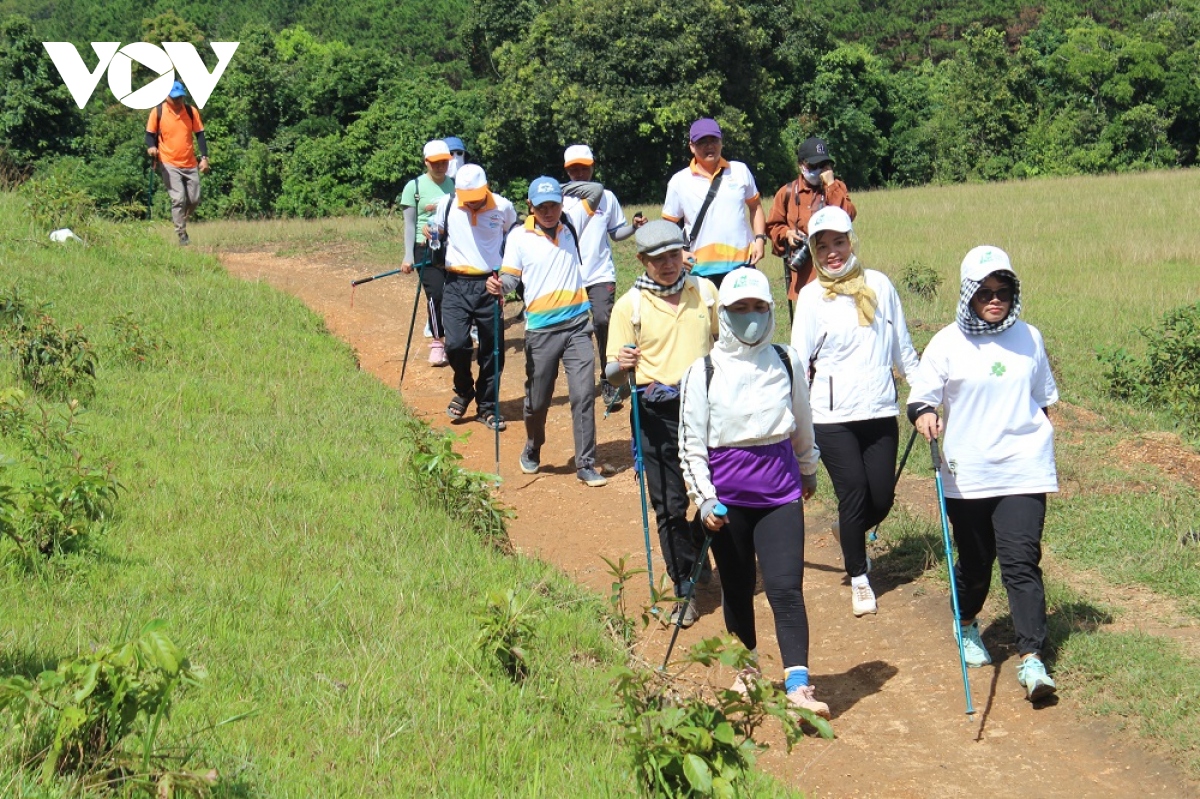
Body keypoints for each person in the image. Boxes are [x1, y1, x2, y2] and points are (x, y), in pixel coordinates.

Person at [907, 245, 1059, 702]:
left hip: (1024, 469)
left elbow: (1044, 399)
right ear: (968, 294)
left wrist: (1032, 443)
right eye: (985, 292)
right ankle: (967, 623)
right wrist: (924, 416)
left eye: (1004, 290)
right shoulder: (947, 342)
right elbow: (920, 398)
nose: (996, 299)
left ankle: (1032, 658)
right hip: (967, 473)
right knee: (976, 565)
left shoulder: (1030, 338)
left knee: (1020, 562)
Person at [677, 267, 829, 719]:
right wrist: (703, 499)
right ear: (723, 314)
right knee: (739, 587)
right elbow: (690, 444)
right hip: (728, 500)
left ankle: (798, 685)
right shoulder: (702, 370)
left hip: (781, 491)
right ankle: (746, 670)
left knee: (786, 589)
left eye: (758, 308)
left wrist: (808, 468)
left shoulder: (786, 360)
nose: (750, 317)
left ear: (770, 311)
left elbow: (802, 420)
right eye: (739, 309)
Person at [790, 206, 919, 617]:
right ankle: (859, 576)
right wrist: (791, 416)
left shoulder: (879, 285)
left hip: (880, 409)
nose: (832, 253)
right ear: (812, 249)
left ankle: (850, 530)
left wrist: (924, 394)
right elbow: (796, 361)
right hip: (832, 417)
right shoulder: (812, 296)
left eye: (839, 242)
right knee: (854, 494)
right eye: (822, 246)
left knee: (880, 498)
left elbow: (904, 348)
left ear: (852, 241)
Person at [605, 220, 720, 626]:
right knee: (669, 506)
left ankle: (694, 538)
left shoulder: (705, 292)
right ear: (642, 261)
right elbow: (613, 375)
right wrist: (622, 365)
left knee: (718, 495)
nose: (668, 265)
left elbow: (722, 344)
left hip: (709, 410)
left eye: (674, 255)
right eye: (658, 259)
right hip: (657, 414)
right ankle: (684, 588)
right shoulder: (628, 306)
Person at [494, 176, 606, 487]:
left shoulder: (571, 222)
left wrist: (563, 188)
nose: (548, 211)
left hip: (577, 326)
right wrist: (499, 287)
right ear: (529, 206)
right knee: (537, 400)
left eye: (553, 204)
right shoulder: (518, 237)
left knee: (583, 394)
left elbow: (595, 191)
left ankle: (586, 463)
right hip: (541, 332)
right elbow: (510, 279)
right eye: (541, 205)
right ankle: (533, 445)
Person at [432, 164, 517, 430]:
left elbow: (515, 237)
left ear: (486, 188)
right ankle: (465, 388)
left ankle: (487, 406)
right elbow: (436, 231)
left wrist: (506, 277)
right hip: (455, 282)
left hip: (489, 283)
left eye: (476, 198)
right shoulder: (447, 205)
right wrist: (432, 233)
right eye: (466, 199)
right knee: (456, 345)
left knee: (493, 350)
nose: (472, 204)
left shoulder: (503, 206)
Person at [561, 144, 646, 407]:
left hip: (600, 273)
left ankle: (610, 380)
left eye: (583, 168)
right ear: (567, 170)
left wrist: (632, 227)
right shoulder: (559, 199)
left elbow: (615, 233)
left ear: (592, 167)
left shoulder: (606, 197)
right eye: (573, 169)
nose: (578, 173)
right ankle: (579, 382)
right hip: (568, 276)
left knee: (603, 321)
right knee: (573, 331)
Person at [661, 118, 766, 289]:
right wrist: (679, 252)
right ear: (692, 146)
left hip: (741, 265)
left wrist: (760, 239)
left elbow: (756, 207)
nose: (709, 146)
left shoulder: (739, 171)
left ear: (721, 142)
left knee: (743, 315)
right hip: (699, 269)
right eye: (702, 142)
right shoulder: (679, 181)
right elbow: (668, 225)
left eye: (714, 140)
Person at [766, 137, 856, 302]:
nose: (818, 171)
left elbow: (847, 216)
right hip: (804, 277)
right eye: (813, 166)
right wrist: (787, 234)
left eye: (823, 166)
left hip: (837, 271)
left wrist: (830, 185)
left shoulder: (837, 187)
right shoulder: (787, 192)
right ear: (801, 165)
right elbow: (772, 226)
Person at [400, 140, 456, 367]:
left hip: (447, 246)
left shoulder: (452, 184)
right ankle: (437, 342)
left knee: (452, 294)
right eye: (436, 163)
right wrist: (407, 256)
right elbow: (410, 225)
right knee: (436, 295)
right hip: (424, 248)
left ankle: (454, 340)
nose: (441, 166)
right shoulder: (413, 187)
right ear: (426, 162)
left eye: (444, 161)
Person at [145, 80, 209, 246]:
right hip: (168, 163)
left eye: (181, 97)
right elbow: (149, 134)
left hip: (189, 162)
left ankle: (182, 220)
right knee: (178, 199)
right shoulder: (158, 111)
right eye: (175, 98)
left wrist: (204, 157)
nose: (178, 101)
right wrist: (151, 147)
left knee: (194, 199)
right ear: (167, 97)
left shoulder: (190, 111)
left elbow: (200, 134)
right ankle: (181, 234)